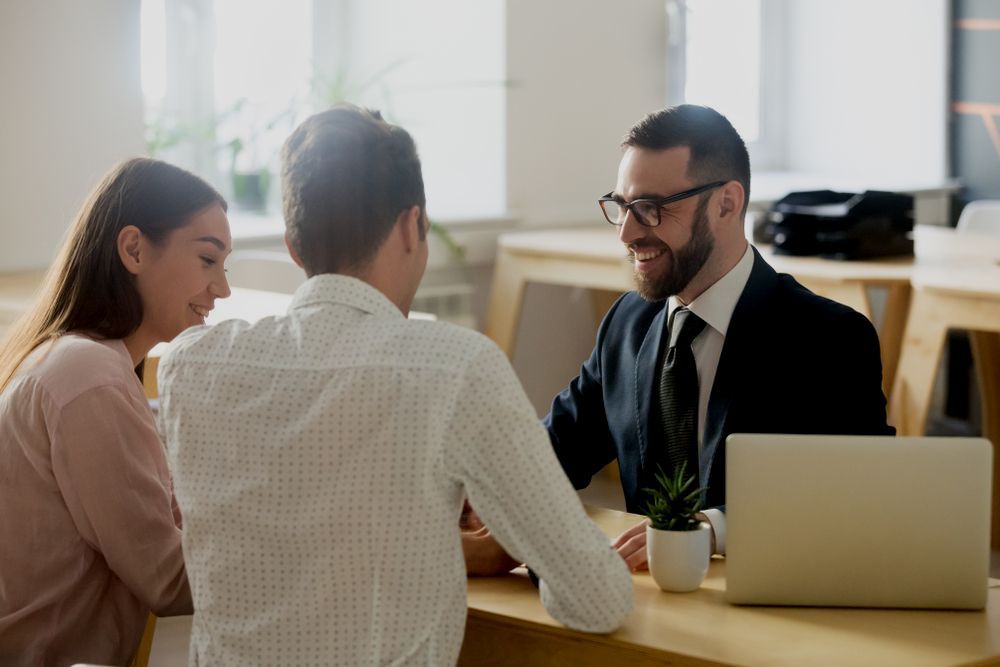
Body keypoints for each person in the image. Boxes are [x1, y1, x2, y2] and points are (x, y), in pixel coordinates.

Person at [157, 105, 632, 666]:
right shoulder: (456, 369)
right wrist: (501, 544)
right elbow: (597, 599)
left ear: (293, 245)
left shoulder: (189, 364)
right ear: (412, 227)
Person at [469, 104, 894, 573]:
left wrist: (712, 529)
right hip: (643, 605)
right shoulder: (627, 323)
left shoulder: (829, 340)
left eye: (650, 209)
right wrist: (475, 496)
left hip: (768, 604)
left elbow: (856, 500)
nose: (628, 233)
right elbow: (555, 448)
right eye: (622, 206)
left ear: (726, 204)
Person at [0, 158, 232, 666]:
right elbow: (169, 580)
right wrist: (314, 539)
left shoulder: (73, 360)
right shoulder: (89, 377)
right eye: (208, 260)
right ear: (133, 249)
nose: (223, 289)